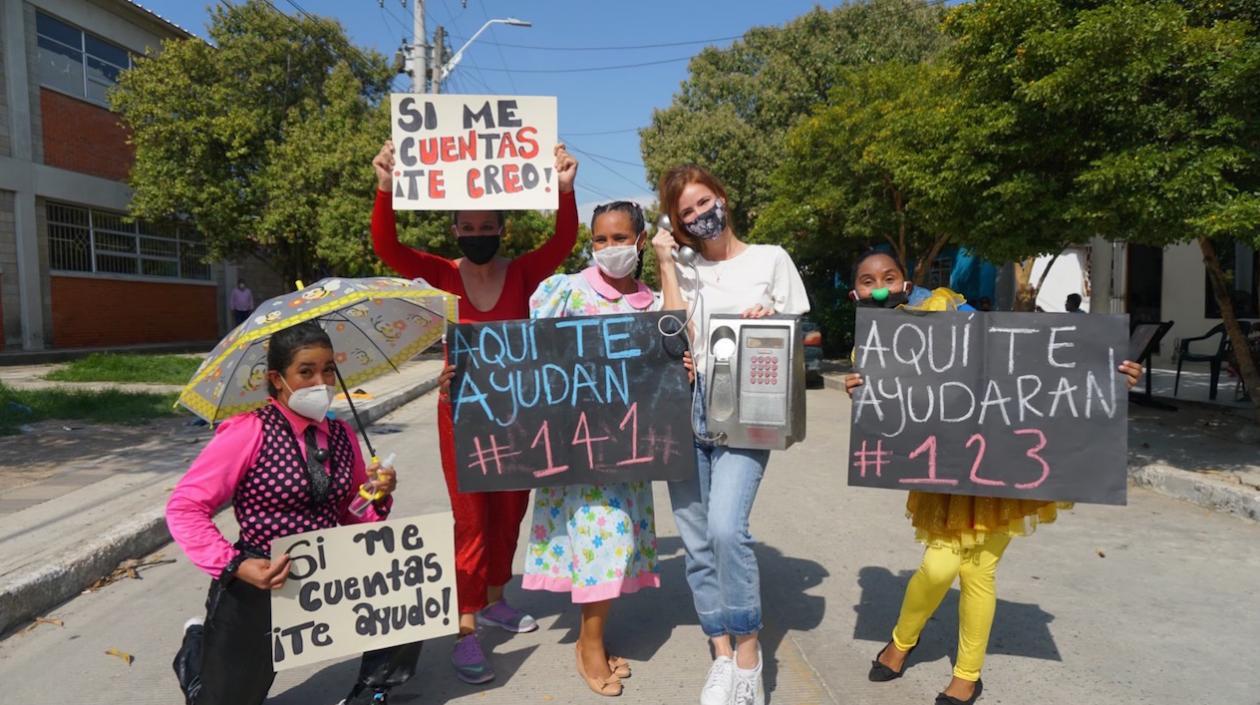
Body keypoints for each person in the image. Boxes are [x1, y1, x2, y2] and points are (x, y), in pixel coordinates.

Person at [843, 250, 1142, 705]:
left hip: (1001, 459)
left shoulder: (946, 303)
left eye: (890, 276)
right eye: (868, 280)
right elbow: (889, 410)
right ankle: (902, 641)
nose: (880, 285)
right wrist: (857, 392)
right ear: (855, 292)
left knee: (978, 569)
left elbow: (1012, 351)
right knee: (938, 566)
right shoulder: (871, 344)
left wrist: (1104, 374)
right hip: (944, 470)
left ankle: (967, 674)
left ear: (906, 281)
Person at [370, 139, 579, 684]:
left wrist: (565, 189)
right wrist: (386, 185)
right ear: (455, 230)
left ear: (502, 229)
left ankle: (494, 599)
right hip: (460, 413)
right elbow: (388, 246)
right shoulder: (441, 273)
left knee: (510, 513)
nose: (480, 235)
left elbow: (563, 241)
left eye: (489, 227)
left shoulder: (525, 271)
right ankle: (465, 630)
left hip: (519, 414)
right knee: (471, 520)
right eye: (470, 227)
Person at [166, 321, 414, 705]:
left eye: (329, 369)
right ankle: (196, 648)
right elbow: (185, 507)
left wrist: (377, 496)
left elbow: (350, 517)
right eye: (306, 371)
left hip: (324, 575)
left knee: (411, 580)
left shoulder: (344, 437)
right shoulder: (248, 432)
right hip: (261, 578)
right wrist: (235, 565)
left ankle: (373, 691)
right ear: (277, 379)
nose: (322, 382)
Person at [652, 164, 810, 705]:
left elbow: (797, 337)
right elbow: (671, 338)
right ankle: (719, 653)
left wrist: (771, 317)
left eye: (703, 202)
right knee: (696, 539)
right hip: (686, 407)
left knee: (725, 528)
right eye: (685, 213)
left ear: (722, 196)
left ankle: (749, 653)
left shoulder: (771, 258)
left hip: (747, 411)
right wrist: (666, 266)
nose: (699, 216)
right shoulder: (684, 267)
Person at [522, 201, 661, 696]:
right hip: (580, 449)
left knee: (614, 544)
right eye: (599, 240)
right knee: (602, 538)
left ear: (640, 241)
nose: (608, 248)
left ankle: (594, 638)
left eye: (619, 238)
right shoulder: (567, 291)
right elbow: (526, 351)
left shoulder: (653, 302)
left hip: (630, 450)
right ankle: (589, 646)